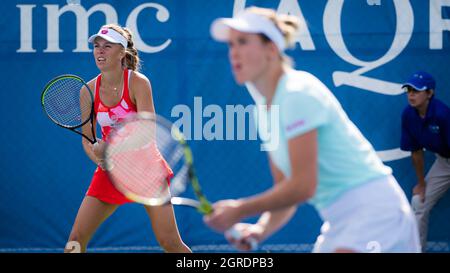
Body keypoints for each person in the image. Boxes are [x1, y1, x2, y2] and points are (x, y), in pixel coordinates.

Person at [203, 7, 420, 253]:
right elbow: (286, 191)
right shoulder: (263, 111)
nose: (234, 53)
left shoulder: (297, 92)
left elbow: (304, 186)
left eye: (242, 42)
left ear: (271, 49)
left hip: (376, 212)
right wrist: (260, 230)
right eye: (231, 45)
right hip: (341, 220)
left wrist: (240, 209)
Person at [64, 24, 191, 253]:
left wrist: (111, 151)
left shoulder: (138, 82)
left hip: (146, 168)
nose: (100, 51)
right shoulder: (88, 91)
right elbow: (87, 140)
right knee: (75, 239)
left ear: (122, 52)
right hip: (110, 173)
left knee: (170, 243)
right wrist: (101, 160)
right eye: (96, 46)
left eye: (107, 46)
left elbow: (147, 132)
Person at [400, 71, 450, 252]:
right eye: (408, 90)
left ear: (430, 93)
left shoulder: (443, 114)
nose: (411, 94)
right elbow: (416, 152)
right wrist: (421, 184)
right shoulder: (408, 115)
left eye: (416, 90)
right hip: (444, 164)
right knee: (418, 202)